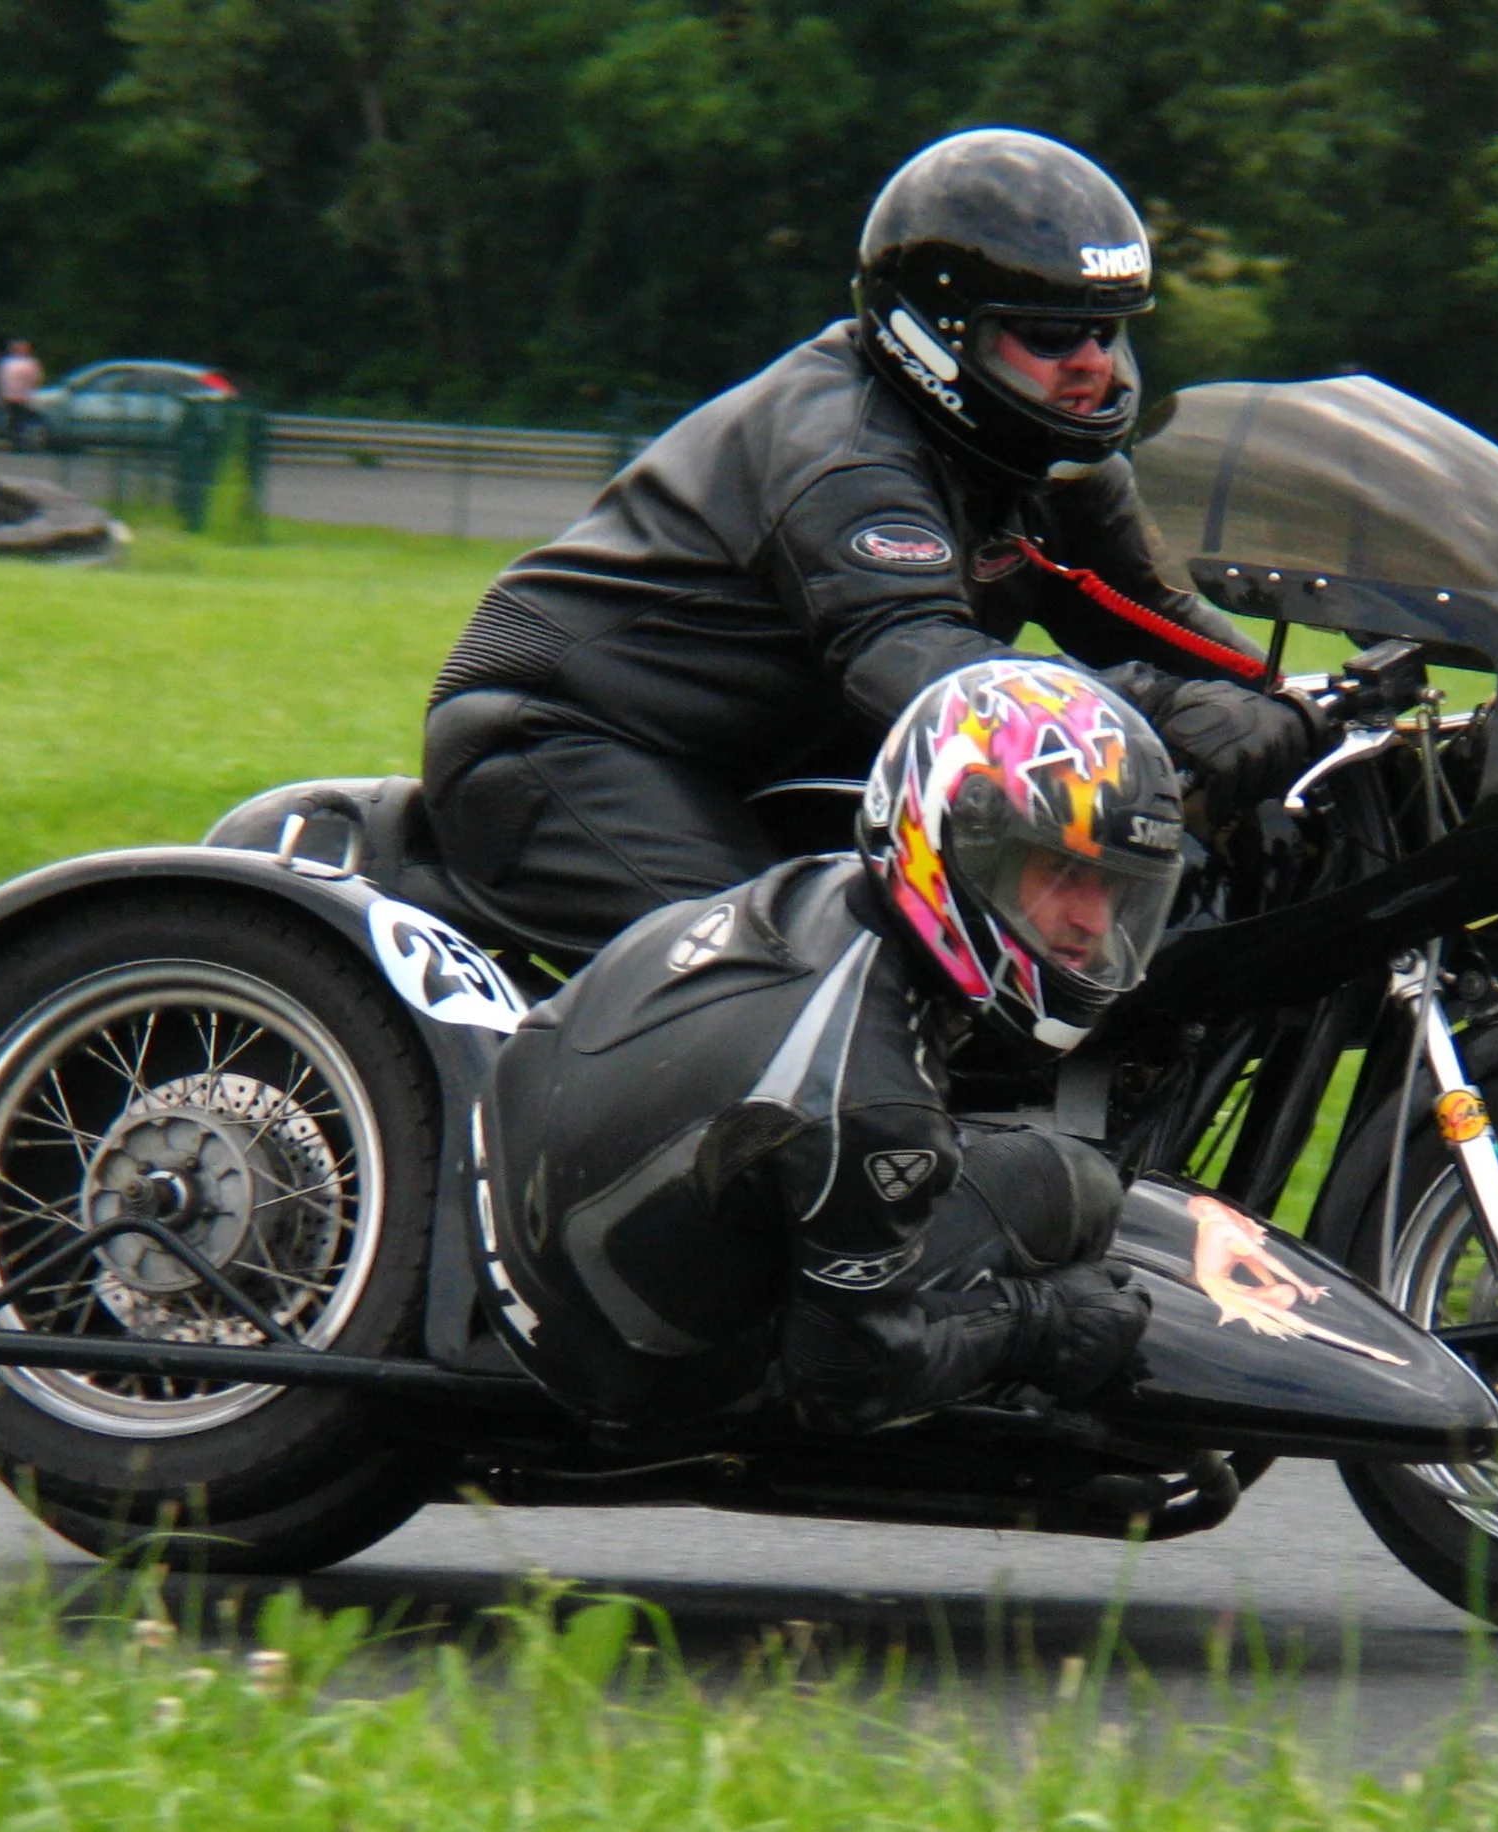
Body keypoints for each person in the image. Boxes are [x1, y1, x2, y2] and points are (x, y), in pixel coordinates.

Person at [422, 127, 1321, 958]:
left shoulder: (1045, 463)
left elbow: (1153, 617)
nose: (1090, 361)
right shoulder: (848, 453)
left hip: (766, 760)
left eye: (1106, 329)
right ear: (938, 337)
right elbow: (915, 661)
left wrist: (1311, 708)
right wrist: (1162, 709)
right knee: (777, 979)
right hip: (571, 742)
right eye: (1050, 334)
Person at [475, 660, 1175, 1431]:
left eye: (1112, 887)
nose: (1092, 922)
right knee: (1071, 1186)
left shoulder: (825, 888)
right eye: (1064, 871)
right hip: (632, 1368)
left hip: (518, 1193)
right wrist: (1038, 1322)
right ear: (969, 838)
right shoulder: (874, 1106)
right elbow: (843, 1381)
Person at [0, 340, 44, 447]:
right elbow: (0, 379)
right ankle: (12, 438)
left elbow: (36, 379)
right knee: (11, 417)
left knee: (20, 418)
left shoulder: (31, 363)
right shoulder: (6, 362)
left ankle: (18, 439)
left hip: (23, 396)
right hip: (8, 395)